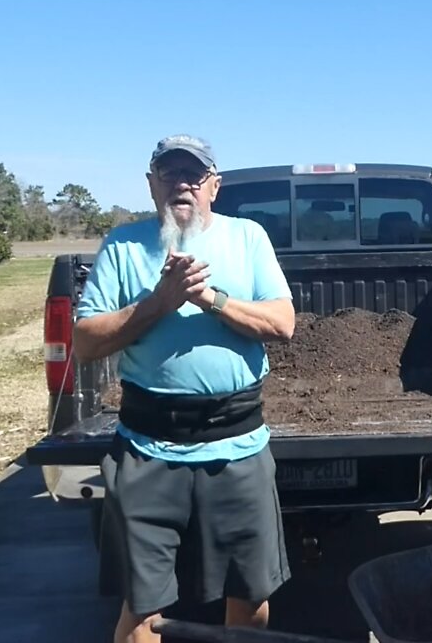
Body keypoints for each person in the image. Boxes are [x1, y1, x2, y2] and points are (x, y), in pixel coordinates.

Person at [72, 134, 296, 643]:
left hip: (237, 448)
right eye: (169, 174)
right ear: (151, 184)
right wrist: (160, 302)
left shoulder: (248, 238)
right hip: (148, 450)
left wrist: (210, 298)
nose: (182, 184)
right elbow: (85, 344)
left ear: (214, 187)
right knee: (141, 608)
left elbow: (283, 324)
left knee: (251, 595)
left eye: (194, 175)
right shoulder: (123, 247)